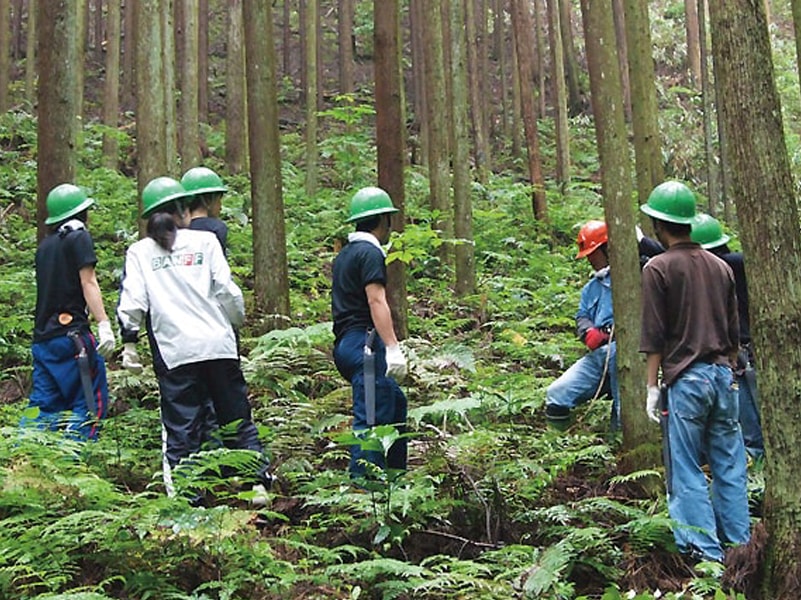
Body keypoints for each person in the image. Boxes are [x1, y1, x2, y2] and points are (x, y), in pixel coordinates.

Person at [117, 176, 270, 499]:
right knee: (235, 415)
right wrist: (234, 322)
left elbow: (133, 301)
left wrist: (129, 343)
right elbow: (227, 290)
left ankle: (189, 499)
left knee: (183, 426)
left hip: (176, 352)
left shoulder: (140, 252)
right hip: (218, 345)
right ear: (184, 211)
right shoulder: (206, 242)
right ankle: (255, 481)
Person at [640, 180, 750, 563]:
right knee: (730, 465)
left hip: (686, 380)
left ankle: (707, 557)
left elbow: (653, 335)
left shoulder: (658, 268)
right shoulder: (721, 267)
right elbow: (734, 332)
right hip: (725, 377)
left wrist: (651, 387)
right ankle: (740, 548)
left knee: (685, 469)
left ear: (659, 224)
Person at [21, 183, 116, 441]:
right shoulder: (78, 237)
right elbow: (88, 282)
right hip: (73, 339)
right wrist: (104, 323)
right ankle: (76, 464)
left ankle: (25, 456)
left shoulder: (45, 247)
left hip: (44, 341)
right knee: (89, 404)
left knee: (43, 405)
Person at [331, 186, 408, 478]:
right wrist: (392, 346)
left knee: (395, 401)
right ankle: (365, 487)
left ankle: (395, 478)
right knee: (372, 417)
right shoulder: (369, 253)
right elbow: (376, 300)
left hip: (347, 344)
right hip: (364, 344)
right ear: (382, 221)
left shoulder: (346, 253)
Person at [690, 213, 763, 458]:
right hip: (732, 352)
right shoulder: (723, 272)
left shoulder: (735, 265)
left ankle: (755, 458)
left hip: (744, 351)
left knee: (749, 418)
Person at [545, 220, 619, 431]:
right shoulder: (591, 288)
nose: (589, 258)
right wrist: (587, 332)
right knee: (557, 393)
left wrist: (607, 333)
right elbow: (582, 315)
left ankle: (622, 451)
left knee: (623, 415)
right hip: (597, 358)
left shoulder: (633, 279)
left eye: (593, 252)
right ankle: (559, 453)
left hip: (625, 355)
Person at [182, 166, 229, 254]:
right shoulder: (217, 228)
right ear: (208, 200)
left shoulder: (176, 229)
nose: (220, 206)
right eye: (218, 200)